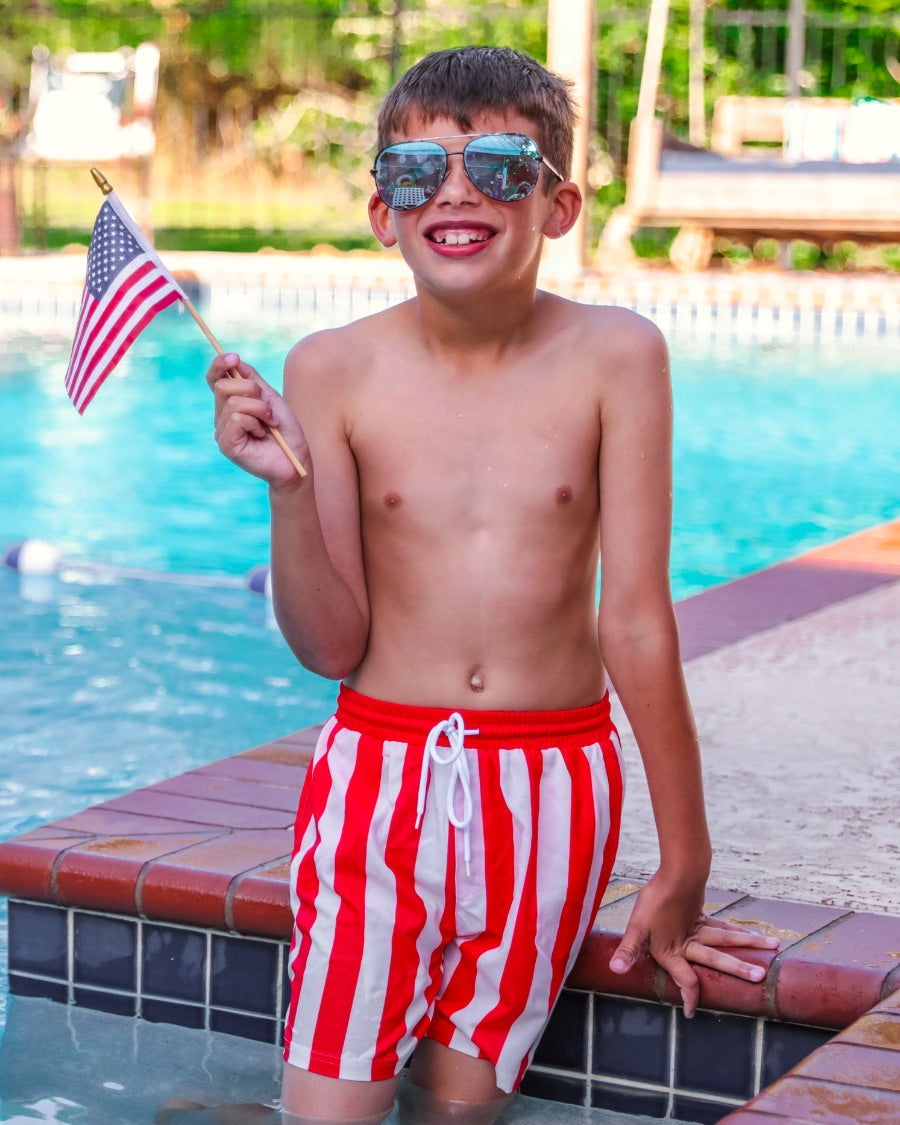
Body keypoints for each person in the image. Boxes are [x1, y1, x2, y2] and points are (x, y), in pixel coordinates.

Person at [202, 45, 777, 1125]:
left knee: (463, 1114)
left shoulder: (618, 356)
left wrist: (685, 859)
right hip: (381, 778)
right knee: (330, 1115)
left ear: (556, 205)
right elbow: (331, 647)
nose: (457, 192)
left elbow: (639, 624)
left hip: (554, 788)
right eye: (419, 172)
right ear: (385, 211)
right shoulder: (332, 368)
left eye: (500, 166)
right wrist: (284, 493)